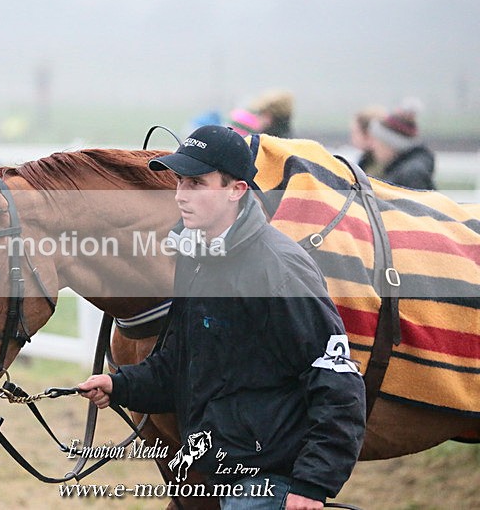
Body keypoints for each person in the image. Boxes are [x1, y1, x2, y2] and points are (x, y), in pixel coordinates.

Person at [79, 125, 366, 509]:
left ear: (237, 190)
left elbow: (337, 381)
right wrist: (121, 386)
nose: (180, 195)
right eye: (180, 181)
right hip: (225, 480)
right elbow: (180, 364)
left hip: (271, 487)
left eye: (197, 183)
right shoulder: (197, 259)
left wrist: (312, 484)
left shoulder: (278, 269)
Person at [367, 100, 436, 189]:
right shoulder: (400, 169)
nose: (372, 146)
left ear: (391, 144)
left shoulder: (411, 176)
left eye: (377, 141)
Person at [351, 105, 387, 175]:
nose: (352, 137)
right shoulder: (367, 161)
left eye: (355, 132)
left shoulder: (380, 167)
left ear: (368, 134)